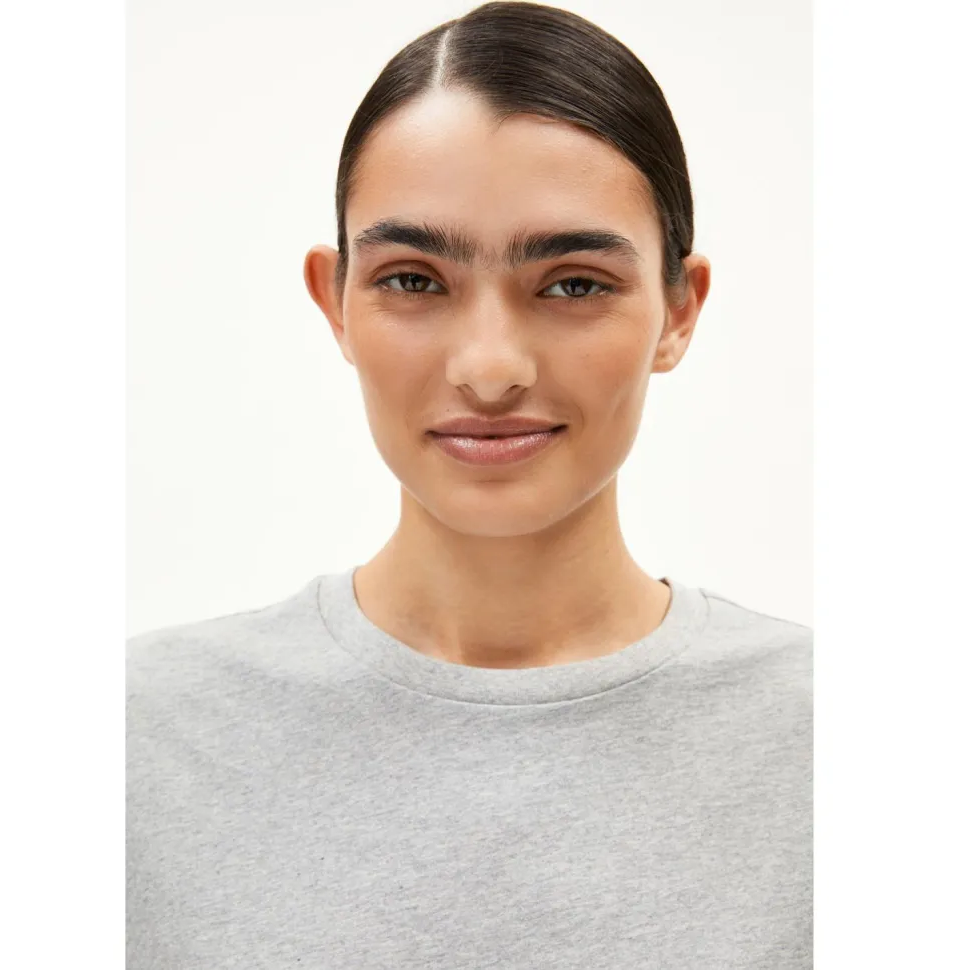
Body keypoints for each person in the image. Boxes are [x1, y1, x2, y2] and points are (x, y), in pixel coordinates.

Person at [127, 2, 812, 967]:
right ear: (335, 302)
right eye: (414, 281)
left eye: (574, 283)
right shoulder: (134, 739)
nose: (490, 370)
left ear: (678, 310)